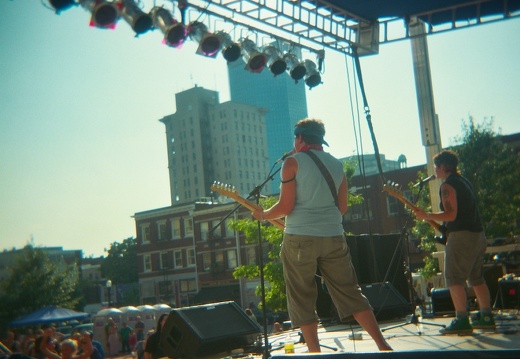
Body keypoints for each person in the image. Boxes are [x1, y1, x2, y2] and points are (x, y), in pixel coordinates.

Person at [252, 118, 392, 353]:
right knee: (350, 291)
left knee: (302, 295)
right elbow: (342, 208)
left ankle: (315, 353)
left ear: (299, 138)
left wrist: (263, 214)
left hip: (299, 238)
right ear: (320, 139)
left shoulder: (291, 163)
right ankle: (382, 344)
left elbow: (285, 207)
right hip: (333, 236)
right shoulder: (337, 166)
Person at [412, 149, 495, 334]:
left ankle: (462, 319)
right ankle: (486, 316)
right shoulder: (464, 181)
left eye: (436, 166)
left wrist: (426, 215)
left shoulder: (447, 186)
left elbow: (451, 214)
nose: (434, 170)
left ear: (442, 167)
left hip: (461, 237)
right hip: (477, 235)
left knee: (453, 278)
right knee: (476, 277)